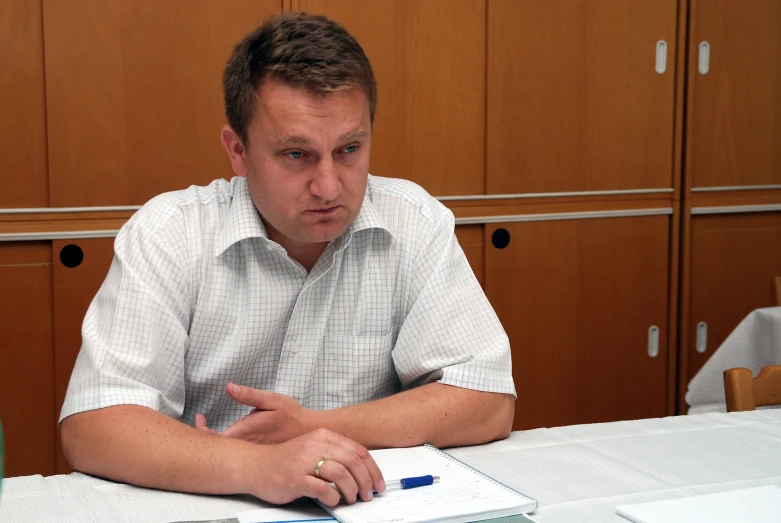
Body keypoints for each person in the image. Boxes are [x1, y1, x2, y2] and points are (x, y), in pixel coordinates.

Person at [59, 12, 516, 508]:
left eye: (349, 149)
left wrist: (314, 428)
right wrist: (256, 466)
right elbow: (92, 425)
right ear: (238, 151)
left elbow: (488, 402)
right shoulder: (170, 233)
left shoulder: (413, 222)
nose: (328, 186)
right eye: (296, 155)